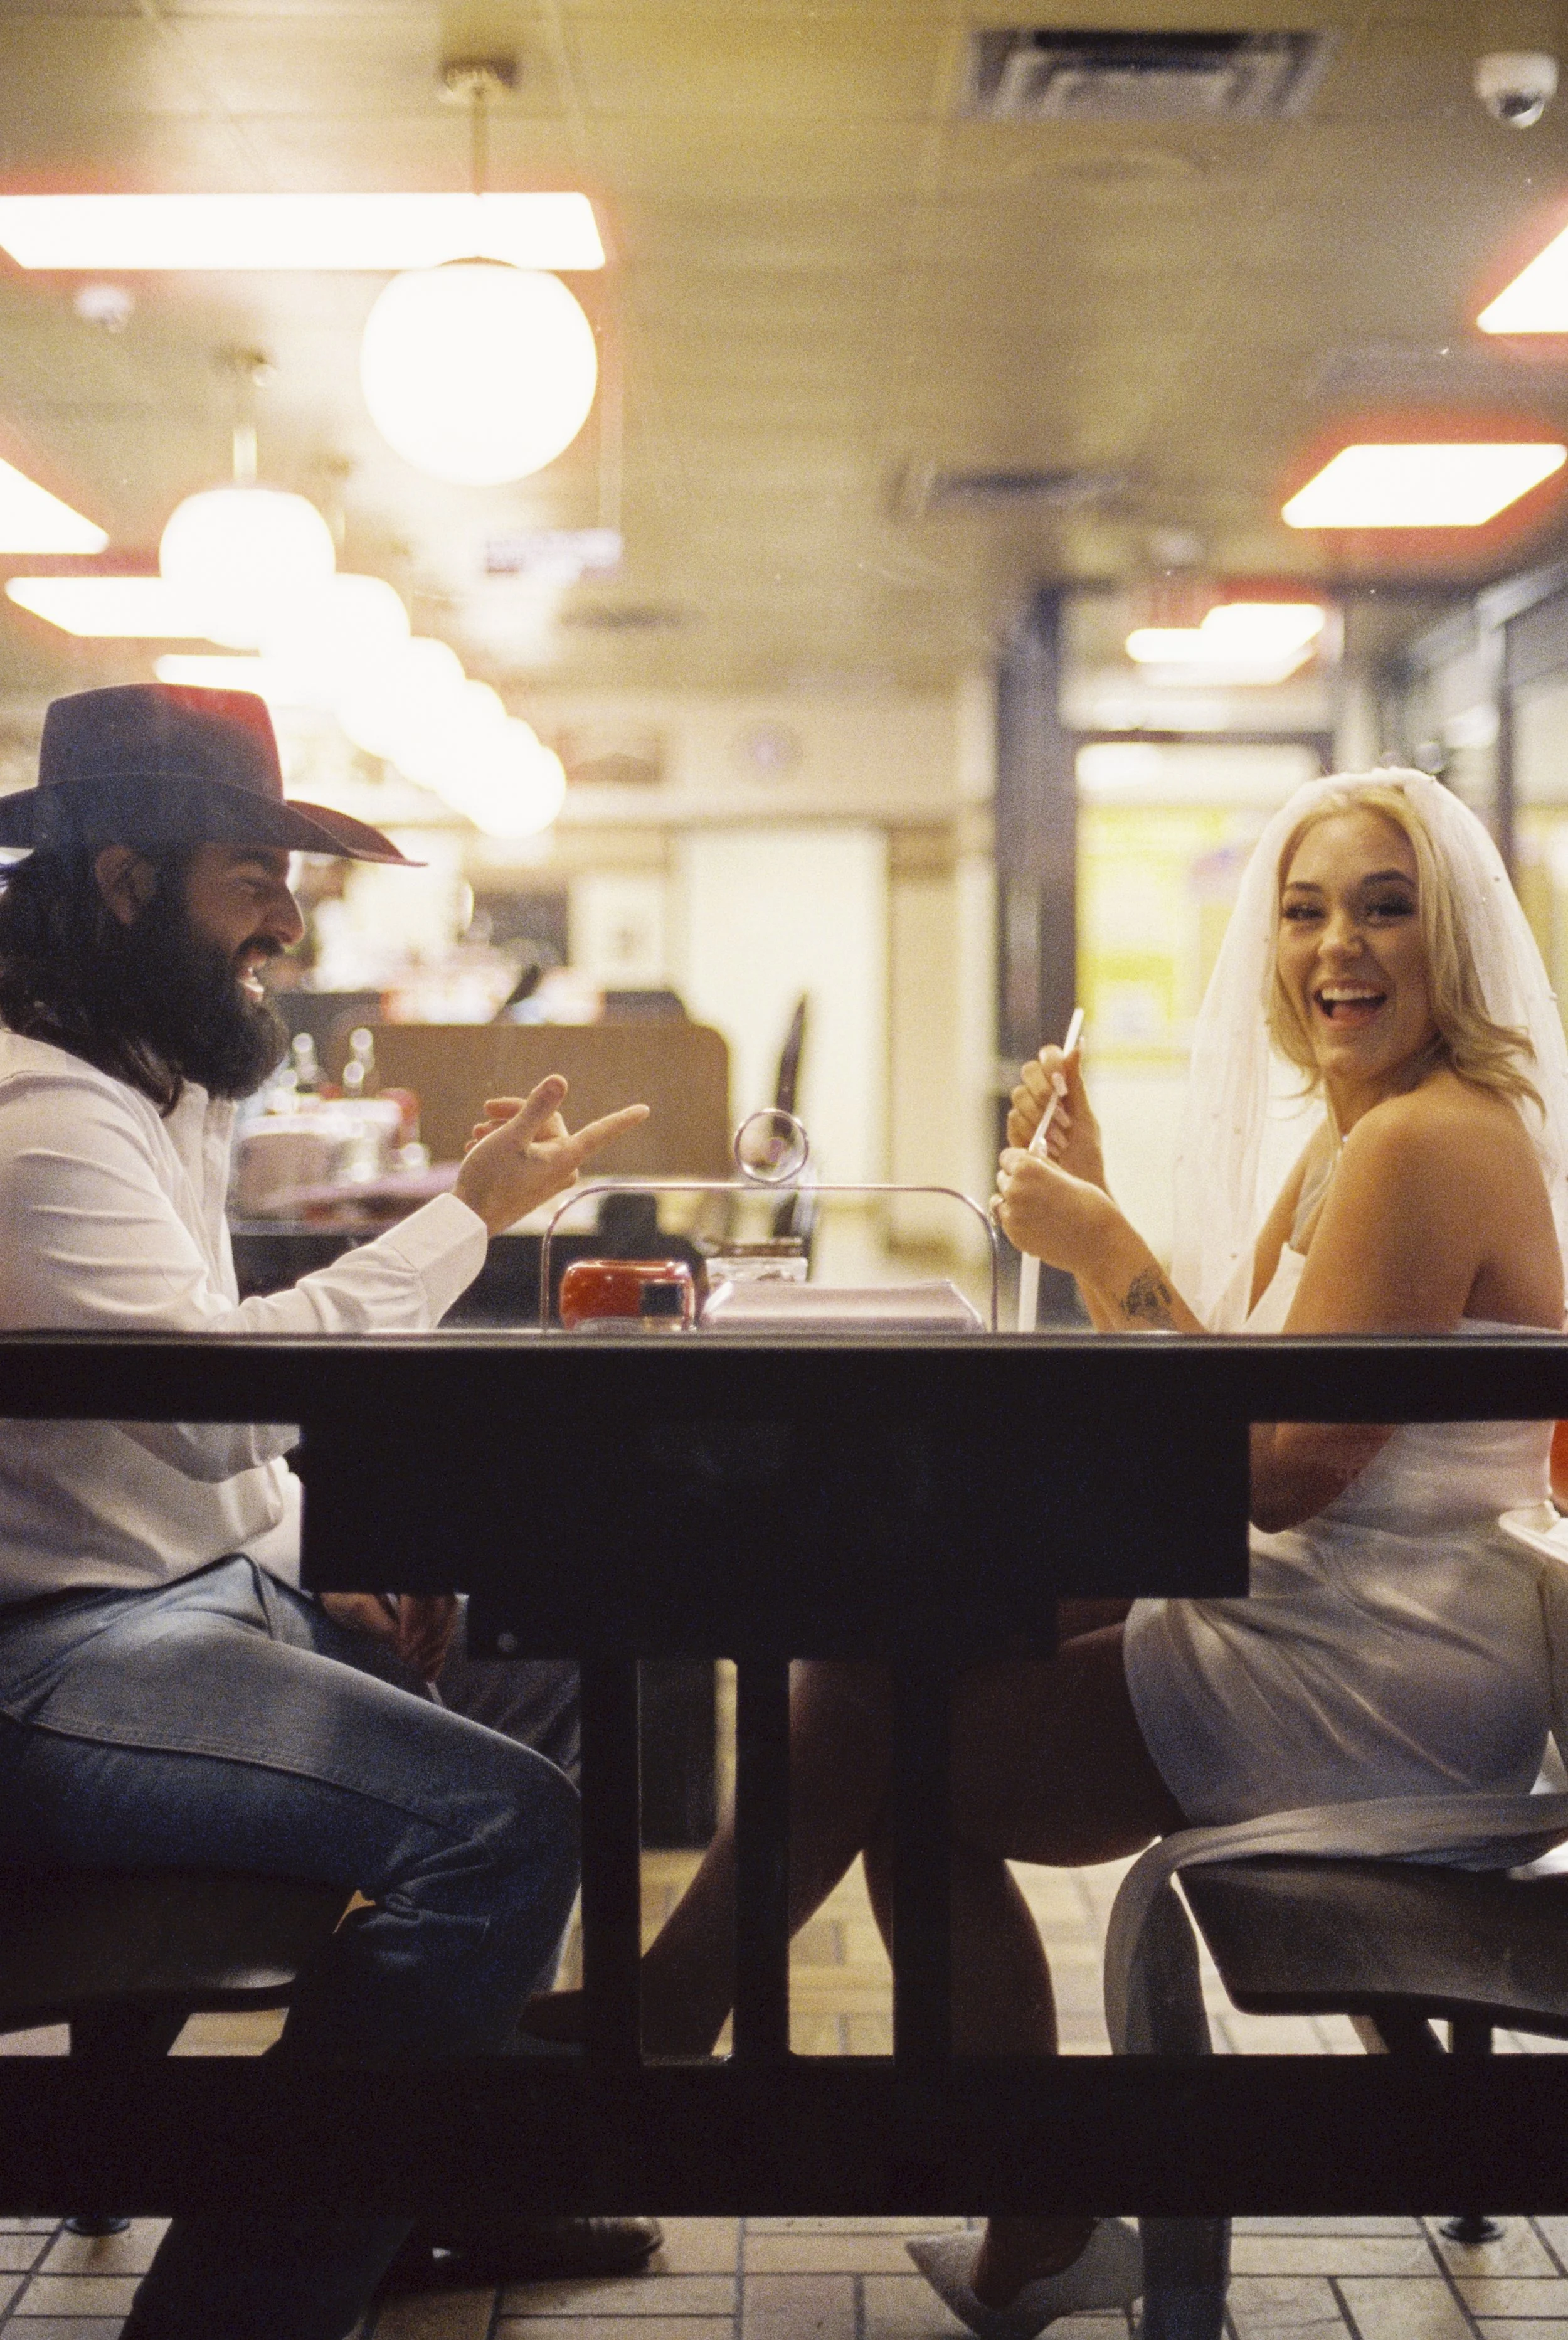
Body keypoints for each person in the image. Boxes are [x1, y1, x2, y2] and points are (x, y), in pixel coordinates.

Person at [526, 768, 1568, 2340]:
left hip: (1373, 1662)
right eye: (1301, 912)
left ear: (1453, 940)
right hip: (1337, 1606)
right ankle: (968, 2168)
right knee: (889, 1641)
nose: (1332, 946)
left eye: (1380, 907)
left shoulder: (1426, 1139)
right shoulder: (1371, 1127)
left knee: (886, 1724)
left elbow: (1279, 1470)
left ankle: (726, 2024)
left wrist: (1102, 1248)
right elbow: (1237, 1390)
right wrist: (1097, 1221)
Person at [0, 682, 654, 2340]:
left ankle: (414, 2175)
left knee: (533, 1653)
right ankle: (250, 2297)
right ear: (127, 883)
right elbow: (222, 1396)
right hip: (50, 1667)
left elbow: (178, 1458)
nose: (289, 918)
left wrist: (327, 1555)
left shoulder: (147, 1077)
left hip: (174, 1599)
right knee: (493, 1825)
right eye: (252, 875)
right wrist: (467, 1221)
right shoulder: (34, 1119)